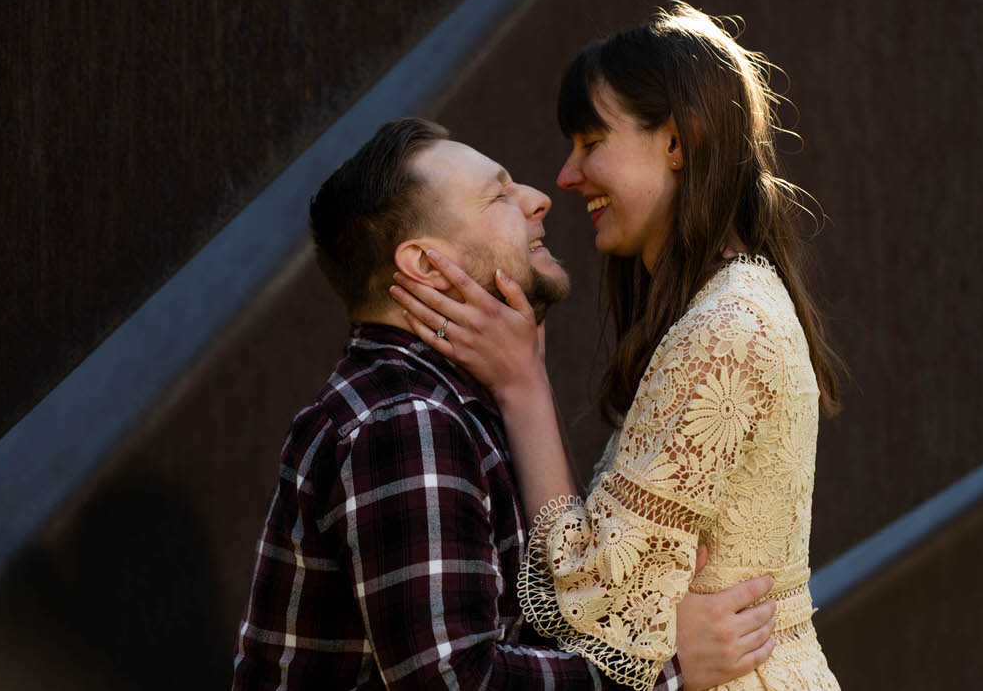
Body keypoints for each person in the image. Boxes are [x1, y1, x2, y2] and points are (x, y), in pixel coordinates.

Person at [232, 117, 779, 690]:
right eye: (499, 195)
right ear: (424, 265)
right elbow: (458, 682)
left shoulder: (453, 399)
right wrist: (661, 666)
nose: (540, 199)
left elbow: (534, 620)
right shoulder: (405, 418)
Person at [390, 3, 844, 690]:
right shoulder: (731, 306)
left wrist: (522, 387)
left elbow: (593, 603)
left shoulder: (726, 327)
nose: (566, 176)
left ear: (677, 141)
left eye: (591, 141)